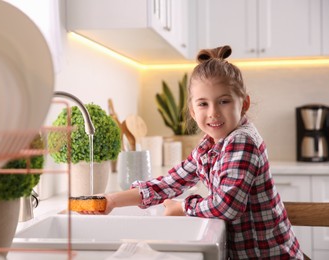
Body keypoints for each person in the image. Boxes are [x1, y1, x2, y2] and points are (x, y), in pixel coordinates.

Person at [83, 45, 304, 259]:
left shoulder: (242, 141)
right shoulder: (209, 145)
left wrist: (182, 207)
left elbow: (226, 207)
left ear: (243, 103)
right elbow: (169, 183)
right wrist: (112, 200)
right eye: (203, 104)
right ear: (192, 110)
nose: (214, 113)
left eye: (224, 101)